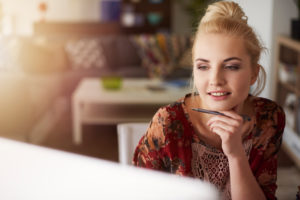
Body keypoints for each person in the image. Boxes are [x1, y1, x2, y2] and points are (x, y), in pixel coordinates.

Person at [133, 1, 285, 200]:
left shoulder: (269, 119)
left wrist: (236, 154)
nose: (215, 80)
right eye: (203, 67)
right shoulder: (167, 123)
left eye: (231, 66)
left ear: (254, 74)